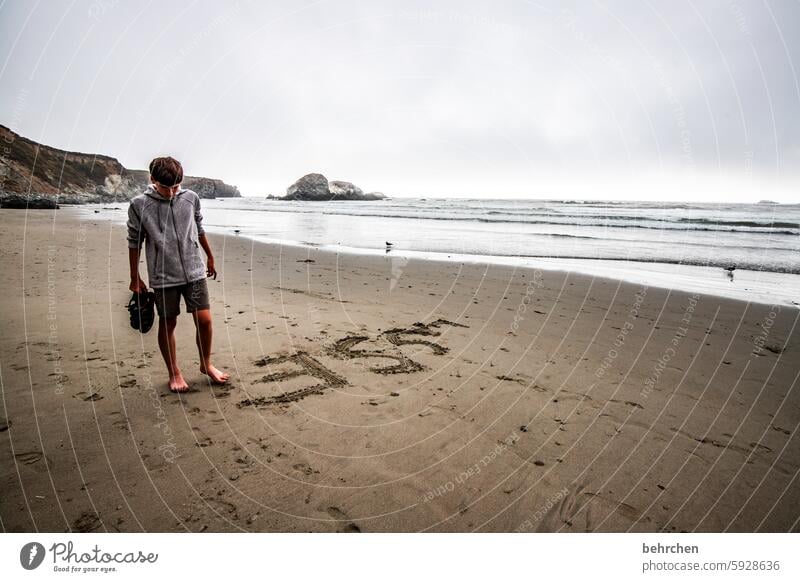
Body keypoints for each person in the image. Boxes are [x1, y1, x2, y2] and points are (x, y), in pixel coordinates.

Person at [127, 156, 230, 392]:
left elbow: (199, 227)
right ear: (152, 179)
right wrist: (135, 277)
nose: (172, 192)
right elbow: (135, 241)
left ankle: (206, 364)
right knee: (168, 322)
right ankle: (174, 372)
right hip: (163, 276)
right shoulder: (139, 205)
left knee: (204, 320)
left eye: (176, 186)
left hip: (194, 270)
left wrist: (210, 255)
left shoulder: (191, 198)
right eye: (166, 187)